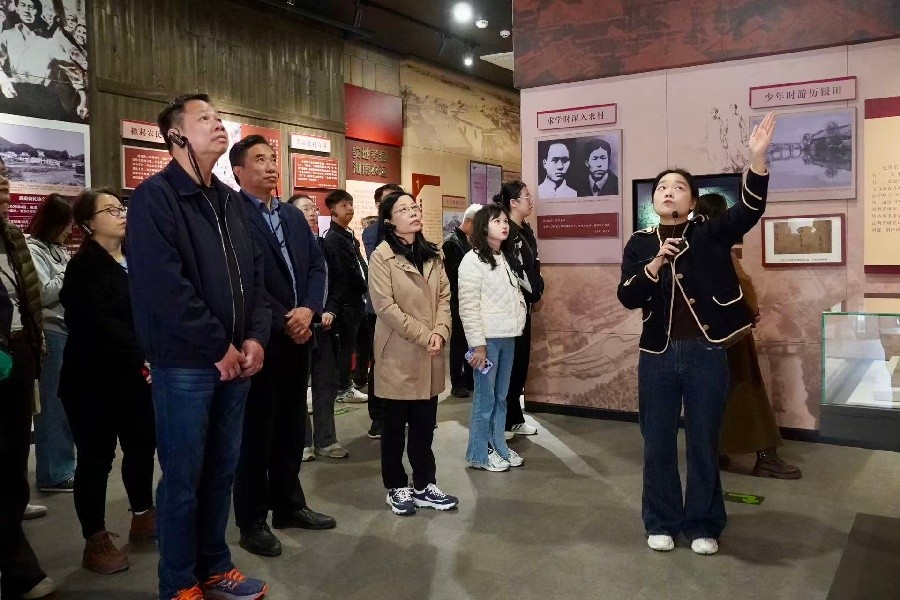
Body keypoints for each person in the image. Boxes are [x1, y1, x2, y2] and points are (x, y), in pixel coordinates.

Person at [127, 94, 272, 600]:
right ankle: (178, 582)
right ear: (175, 136)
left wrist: (254, 337)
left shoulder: (230, 201)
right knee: (183, 480)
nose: (218, 124)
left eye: (218, 117)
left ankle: (215, 567)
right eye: (204, 118)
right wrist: (217, 345)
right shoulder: (155, 198)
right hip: (186, 364)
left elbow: (256, 277)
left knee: (221, 472)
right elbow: (163, 286)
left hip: (236, 362)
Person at [617, 111, 777, 556]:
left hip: (707, 353)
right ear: (655, 200)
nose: (669, 191)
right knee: (658, 443)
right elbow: (627, 296)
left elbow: (749, 210)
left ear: (692, 202)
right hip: (657, 355)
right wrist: (655, 264)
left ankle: (703, 523)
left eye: (679, 187)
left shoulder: (710, 233)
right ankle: (661, 520)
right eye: (662, 188)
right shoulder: (640, 242)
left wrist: (757, 159)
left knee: (705, 441)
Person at [229, 137, 335, 558]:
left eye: (273, 159)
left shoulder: (291, 214)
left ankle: (289, 506)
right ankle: (252, 520)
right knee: (257, 433)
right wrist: (286, 319)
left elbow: (316, 265)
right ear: (238, 171)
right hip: (260, 340)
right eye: (260, 160)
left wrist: (308, 310)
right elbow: (243, 280)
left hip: (299, 336)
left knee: (292, 427)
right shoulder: (232, 213)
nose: (271, 166)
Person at [59, 188, 156, 574]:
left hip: (135, 377)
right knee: (96, 458)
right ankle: (95, 538)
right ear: (88, 223)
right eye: (110, 210)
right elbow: (98, 323)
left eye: (121, 208)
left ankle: (143, 515)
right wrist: (142, 353)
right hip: (92, 380)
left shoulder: (137, 258)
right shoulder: (84, 267)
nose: (121, 214)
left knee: (141, 447)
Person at [694, 193, 801, 480]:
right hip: (733, 333)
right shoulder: (719, 248)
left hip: (700, 335)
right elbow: (745, 290)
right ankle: (766, 456)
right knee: (748, 391)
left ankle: (713, 451)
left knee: (709, 394)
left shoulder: (689, 246)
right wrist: (750, 312)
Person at [368, 191, 458, 516]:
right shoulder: (382, 257)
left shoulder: (433, 253)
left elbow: (445, 297)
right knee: (394, 427)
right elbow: (385, 307)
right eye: (403, 209)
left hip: (430, 352)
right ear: (389, 220)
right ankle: (396, 486)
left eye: (414, 207)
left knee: (424, 424)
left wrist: (441, 332)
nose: (413, 212)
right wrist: (425, 335)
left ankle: (424, 484)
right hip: (398, 352)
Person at [0, 155, 55, 599]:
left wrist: (33, 346)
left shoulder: (13, 236)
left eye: (4, 176)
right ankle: (19, 569)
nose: (4, 185)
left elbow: (27, 297)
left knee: (13, 455)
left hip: (18, 354)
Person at [458, 204, 528, 472]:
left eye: (505, 221)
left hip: (508, 336)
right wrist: (478, 345)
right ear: (483, 227)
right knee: (485, 400)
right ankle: (480, 452)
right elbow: (468, 307)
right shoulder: (471, 261)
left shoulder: (503, 257)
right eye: (497, 221)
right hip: (486, 341)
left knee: (501, 397)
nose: (504, 225)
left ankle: (498, 444)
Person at [289, 194, 348, 461]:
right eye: (305, 209)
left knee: (326, 385)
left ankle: (326, 439)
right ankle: (301, 442)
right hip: (297, 328)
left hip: (324, 327)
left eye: (313, 208)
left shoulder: (324, 245)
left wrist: (331, 310)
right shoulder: (287, 246)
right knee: (297, 387)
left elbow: (337, 282)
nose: (312, 213)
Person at [26, 194, 76, 493]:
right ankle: (53, 473)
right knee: (53, 407)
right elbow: (44, 293)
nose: (70, 231)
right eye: (66, 224)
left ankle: (63, 466)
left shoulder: (57, 250)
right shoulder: (33, 249)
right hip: (50, 332)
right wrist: (69, 271)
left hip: (67, 331)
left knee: (66, 405)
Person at [495, 181, 544, 438]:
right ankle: (504, 421)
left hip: (525, 306)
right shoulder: (508, 233)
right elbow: (516, 271)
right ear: (513, 203)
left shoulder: (526, 230)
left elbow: (534, 266)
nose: (530, 201)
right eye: (526, 197)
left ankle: (514, 417)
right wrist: (532, 291)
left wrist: (537, 290)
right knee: (510, 366)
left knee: (521, 362)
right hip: (511, 307)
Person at [0, 0, 88, 122]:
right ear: (17, 8)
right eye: (23, 5)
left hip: (42, 97)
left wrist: (84, 100)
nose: (27, 11)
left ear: (38, 11)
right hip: (16, 93)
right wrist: (3, 79)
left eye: (31, 7)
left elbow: (73, 69)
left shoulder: (51, 39)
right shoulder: (8, 35)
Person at [362, 183, 403, 439]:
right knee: (380, 363)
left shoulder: (410, 233)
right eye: (390, 201)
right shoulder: (372, 232)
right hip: (378, 309)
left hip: (406, 310)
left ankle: (402, 413)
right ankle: (378, 417)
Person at [322, 189, 368, 404]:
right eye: (344, 205)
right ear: (332, 211)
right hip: (346, 302)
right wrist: (365, 286)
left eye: (350, 204)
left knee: (357, 344)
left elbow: (359, 266)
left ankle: (352, 381)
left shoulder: (347, 235)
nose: (349, 208)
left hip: (358, 299)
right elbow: (344, 273)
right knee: (345, 346)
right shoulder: (333, 238)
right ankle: (342, 388)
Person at [442, 203, 482, 398]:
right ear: (470, 222)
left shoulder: (466, 241)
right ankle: (457, 382)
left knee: (470, 340)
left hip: (469, 298)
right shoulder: (452, 242)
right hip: (458, 299)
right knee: (458, 342)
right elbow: (459, 274)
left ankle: (468, 378)